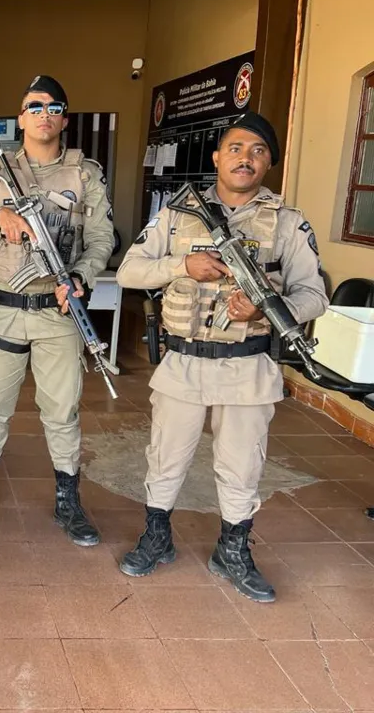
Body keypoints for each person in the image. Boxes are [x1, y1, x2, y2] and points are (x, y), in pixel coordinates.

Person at [115, 112, 329, 603]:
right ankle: (157, 536)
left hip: (248, 363)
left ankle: (232, 549)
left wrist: (270, 307)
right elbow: (129, 271)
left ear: (269, 163)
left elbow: (314, 295)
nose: (245, 158)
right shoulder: (176, 215)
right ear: (217, 157)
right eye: (235, 148)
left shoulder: (289, 223)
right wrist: (181, 265)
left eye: (257, 151)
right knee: (166, 456)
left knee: (242, 465)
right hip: (184, 360)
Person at [0, 75, 115, 545]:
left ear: (64, 118)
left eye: (54, 107)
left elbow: (102, 238)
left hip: (58, 312)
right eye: (34, 106)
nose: (44, 113)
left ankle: (68, 500)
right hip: (4, 308)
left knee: (62, 411)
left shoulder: (85, 173)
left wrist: (82, 276)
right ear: (21, 117)